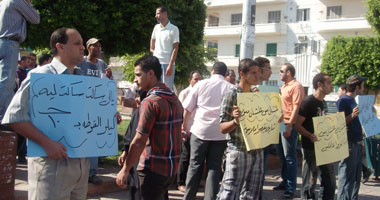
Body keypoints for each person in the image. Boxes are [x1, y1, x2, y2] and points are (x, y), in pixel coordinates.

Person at [2, 28, 89, 200]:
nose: (83, 48)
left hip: (80, 166)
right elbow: (15, 116)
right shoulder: (41, 75)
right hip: (51, 167)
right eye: (77, 43)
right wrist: (46, 143)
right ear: (60, 47)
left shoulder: (81, 78)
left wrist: (104, 118)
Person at [116, 55, 183, 200]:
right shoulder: (175, 99)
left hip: (151, 171)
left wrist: (125, 169)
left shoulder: (150, 102)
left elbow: (139, 141)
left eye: (138, 75)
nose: (135, 79)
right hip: (170, 171)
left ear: (151, 74)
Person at [182, 62, 235, 200]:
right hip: (220, 133)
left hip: (200, 131)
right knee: (214, 168)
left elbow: (188, 108)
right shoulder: (231, 88)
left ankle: (188, 197)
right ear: (225, 74)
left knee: (194, 166)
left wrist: (184, 126)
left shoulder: (201, 84)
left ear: (212, 71)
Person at [217, 59, 264, 199]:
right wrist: (235, 121)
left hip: (257, 151)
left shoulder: (257, 96)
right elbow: (222, 128)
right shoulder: (232, 94)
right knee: (229, 192)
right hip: (238, 151)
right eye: (253, 73)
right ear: (242, 74)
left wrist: (274, 120)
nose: (258, 76)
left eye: (259, 72)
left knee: (252, 193)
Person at [77, 37, 115, 185]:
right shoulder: (81, 63)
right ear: (88, 48)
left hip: (96, 109)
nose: (98, 49)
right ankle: (79, 173)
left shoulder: (103, 65)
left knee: (93, 142)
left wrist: (110, 77)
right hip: (82, 107)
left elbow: (108, 85)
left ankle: (92, 173)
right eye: (95, 46)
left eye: (100, 46)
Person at [295, 73, 336, 200]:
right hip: (310, 149)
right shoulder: (308, 102)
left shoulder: (323, 102)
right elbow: (297, 124)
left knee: (329, 181)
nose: (332, 86)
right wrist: (309, 135)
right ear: (320, 84)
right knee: (309, 183)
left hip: (323, 147)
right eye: (329, 83)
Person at [0, 0, 39, 129]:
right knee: (7, 84)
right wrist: (28, 3)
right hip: (10, 43)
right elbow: (35, 18)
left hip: (3, 42)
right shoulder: (17, 1)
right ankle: (4, 120)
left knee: (4, 82)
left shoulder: (3, 2)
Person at [274, 63, 305, 199]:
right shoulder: (284, 86)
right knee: (282, 156)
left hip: (288, 124)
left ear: (289, 73)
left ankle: (291, 188)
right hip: (281, 124)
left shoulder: (296, 86)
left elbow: (296, 108)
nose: (280, 73)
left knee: (290, 157)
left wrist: (289, 126)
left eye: (282, 71)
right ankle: (285, 181)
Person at [337, 75, 367, 200]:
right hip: (348, 143)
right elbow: (339, 123)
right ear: (357, 86)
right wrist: (352, 115)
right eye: (362, 85)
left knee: (355, 176)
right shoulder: (343, 100)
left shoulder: (353, 100)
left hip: (357, 141)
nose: (364, 88)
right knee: (346, 175)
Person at [118, 90, 147, 200]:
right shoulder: (137, 113)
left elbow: (138, 141)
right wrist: (125, 151)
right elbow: (129, 135)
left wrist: (124, 170)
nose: (137, 99)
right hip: (133, 164)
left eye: (140, 97)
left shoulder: (149, 114)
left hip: (144, 164)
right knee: (134, 191)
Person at [177, 71, 202, 193]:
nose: (198, 81)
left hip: (198, 130)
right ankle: (181, 182)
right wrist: (183, 127)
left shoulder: (202, 92)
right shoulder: (185, 93)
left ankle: (192, 182)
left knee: (196, 157)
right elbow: (180, 112)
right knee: (185, 156)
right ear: (190, 80)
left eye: (200, 79)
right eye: (196, 79)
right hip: (187, 129)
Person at [254, 56, 274, 200]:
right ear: (260, 70)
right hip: (255, 138)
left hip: (266, 136)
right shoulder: (252, 90)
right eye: (268, 69)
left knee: (261, 171)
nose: (271, 73)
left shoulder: (267, 90)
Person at [150, 6, 179, 91]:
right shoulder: (156, 27)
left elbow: (175, 48)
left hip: (167, 64)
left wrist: (170, 65)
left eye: (158, 13)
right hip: (156, 64)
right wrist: (154, 52)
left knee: (166, 90)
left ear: (165, 13)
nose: (156, 16)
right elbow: (152, 43)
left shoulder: (174, 29)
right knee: (155, 88)